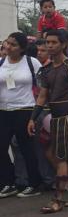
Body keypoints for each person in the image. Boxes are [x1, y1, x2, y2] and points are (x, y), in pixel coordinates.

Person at [27, 29, 68, 213]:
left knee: (62, 158)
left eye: (54, 42)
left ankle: (58, 200)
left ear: (64, 44)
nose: (50, 45)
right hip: (56, 117)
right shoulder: (46, 70)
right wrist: (32, 118)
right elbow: (42, 97)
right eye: (48, 42)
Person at [0, 33, 43, 198]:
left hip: (25, 109)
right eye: (8, 43)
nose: (9, 47)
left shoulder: (32, 63)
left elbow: (43, 86)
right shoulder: (2, 63)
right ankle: (8, 182)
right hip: (4, 110)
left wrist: (39, 110)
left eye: (14, 45)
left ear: (23, 48)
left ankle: (34, 183)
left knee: (26, 148)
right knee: (1, 147)